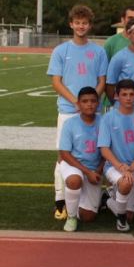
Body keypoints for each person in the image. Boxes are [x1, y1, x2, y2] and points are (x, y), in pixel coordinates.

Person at [47, 5, 108, 220]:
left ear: (90, 25)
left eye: (85, 22)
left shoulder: (98, 51)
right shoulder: (61, 51)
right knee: (63, 156)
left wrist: (89, 103)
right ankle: (60, 201)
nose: (81, 26)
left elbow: (102, 81)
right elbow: (56, 81)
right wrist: (75, 102)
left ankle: (93, 195)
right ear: (71, 24)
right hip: (68, 109)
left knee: (97, 152)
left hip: (92, 110)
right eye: (77, 22)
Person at [98, 80, 134, 232]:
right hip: (114, 167)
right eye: (124, 94)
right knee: (125, 182)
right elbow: (104, 149)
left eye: (131, 94)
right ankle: (120, 219)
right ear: (116, 96)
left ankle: (108, 201)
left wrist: (132, 167)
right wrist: (121, 167)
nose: (128, 98)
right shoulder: (108, 118)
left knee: (130, 215)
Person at [58, 87, 104, 232]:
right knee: (74, 180)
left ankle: (101, 197)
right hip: (73, 166)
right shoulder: (70, 123)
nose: (89, 104)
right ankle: (71, 216)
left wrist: (97, 171)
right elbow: (65, 154)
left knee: (88, 217)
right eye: (85, 101)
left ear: (98, 103)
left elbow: (108, 152)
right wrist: (87, 172)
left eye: (93, 101)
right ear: (78, 103)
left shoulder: (104, 123)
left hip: (94, 169)